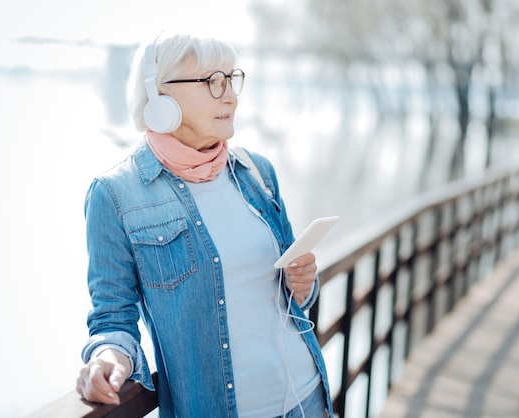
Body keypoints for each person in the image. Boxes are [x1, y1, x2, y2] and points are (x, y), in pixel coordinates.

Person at [75, 31, 334, 418]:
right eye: (213, 82)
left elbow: (294, 296)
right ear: (160, 98)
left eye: (232, 79)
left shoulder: (257, 172)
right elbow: (113, 316)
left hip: (309, 397)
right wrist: (109, 357)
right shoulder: (114, 195)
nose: (230, 95)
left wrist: (304, 283)